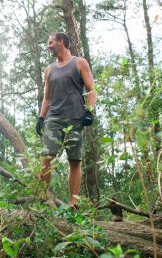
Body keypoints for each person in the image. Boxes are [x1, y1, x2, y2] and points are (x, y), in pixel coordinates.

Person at [36, 32, 96, 209]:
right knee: (47, 156)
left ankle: (73, 203)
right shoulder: (49, 70)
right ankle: (44, 197)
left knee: (75, 160)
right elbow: (47, 98)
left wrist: (89, 112)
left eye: (51, 42)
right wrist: (41, 118)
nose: (48, 46)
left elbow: (92, 90)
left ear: (61, 42)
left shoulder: (79, 62)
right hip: (53, 117)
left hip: (75, 118)